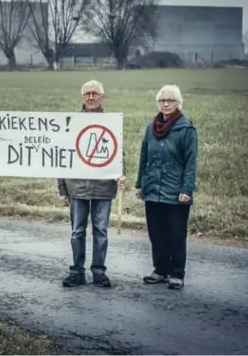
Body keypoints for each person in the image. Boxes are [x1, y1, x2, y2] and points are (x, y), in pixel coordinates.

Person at [59, 79, 126, 288]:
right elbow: (62, 156)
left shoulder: (111, 123)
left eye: (95, 93)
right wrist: (62, 189)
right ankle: (76, 271)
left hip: (103, 187)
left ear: (102, 97)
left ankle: (99, 272)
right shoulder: (72, 123)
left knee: (101, 231)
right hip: (76, 187)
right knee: (77, 231)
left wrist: (120, 174)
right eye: (87, 93)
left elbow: (118, 154)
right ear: (82, 97)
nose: (90, 97)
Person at [134, 84, 198, 290]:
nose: (166, 104)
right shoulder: (150, 128)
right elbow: (144, 157)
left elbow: (191, 162)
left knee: (176, 234)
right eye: (162, 100)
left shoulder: (186, 129)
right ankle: (161, 270)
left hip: (175, 192)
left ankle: (177, 273)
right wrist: (139, 184)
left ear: (178, 103)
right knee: (156, 233)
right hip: (152, 190)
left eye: (171, 100)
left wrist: (187, 190)